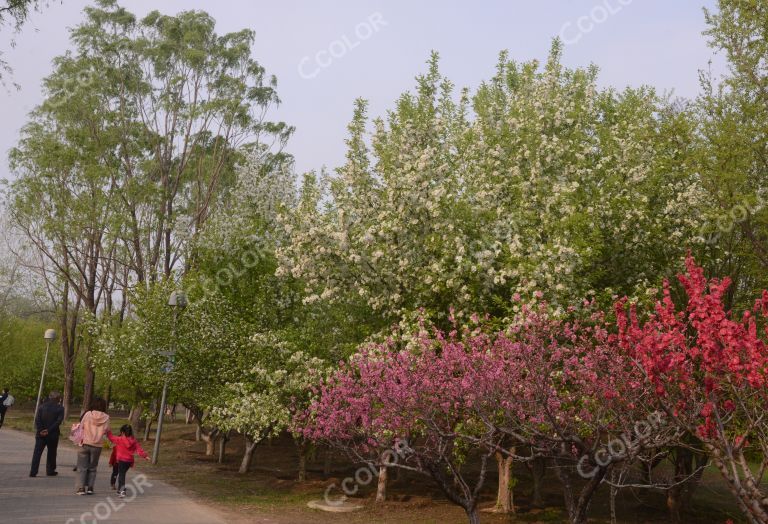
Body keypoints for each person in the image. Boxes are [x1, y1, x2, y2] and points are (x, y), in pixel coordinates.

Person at [75, 397, 110, 495]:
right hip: (97, 445)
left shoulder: (87, 414)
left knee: (82, 466)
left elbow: (81, 426)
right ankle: (90, 487)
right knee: (93, 467)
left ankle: (81, 488)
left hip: (85, 443)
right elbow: (107, 430)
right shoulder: (106, 417)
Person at [106, 424, 149, 497]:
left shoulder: (119, 439)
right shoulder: (133, 440)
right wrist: (145, 456)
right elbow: (139, 450)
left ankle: (122, 491)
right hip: (129, 461)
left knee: (121, 475)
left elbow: (111, 437)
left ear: (122, 432)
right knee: (121, 474)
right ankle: (120, 490)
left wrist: (108, 430)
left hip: (122, 461)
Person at [29, 391, 64, 477]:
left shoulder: (42, 406)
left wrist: (41, 430)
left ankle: (33, 471)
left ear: (49, 397)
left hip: (40, 434)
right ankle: (50, 470)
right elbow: (58, 422)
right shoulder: (60, 408)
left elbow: (37, 419)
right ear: (58, 399)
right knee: (52, 452)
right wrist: (48, 430)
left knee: (37, 453)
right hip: (53, 434)